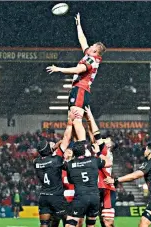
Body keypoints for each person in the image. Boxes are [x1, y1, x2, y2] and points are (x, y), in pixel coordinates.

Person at [17, 113, 74, 227]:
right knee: (70, 222)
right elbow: (66, 139)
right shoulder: (56, 160)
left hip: (44, 197)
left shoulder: (37, 162)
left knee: (43, 226)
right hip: (56, 197)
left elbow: (49, 151)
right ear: (49, 150)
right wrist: (70, 122)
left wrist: (53, 146)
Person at [46, 13, 106, 142]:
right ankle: (75, 147)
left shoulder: (91, 61)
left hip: (80, 90)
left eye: (92, 46)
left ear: (95, 51)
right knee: (72, 119)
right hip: (78, 90)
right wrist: (78, 25)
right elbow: (82, 40)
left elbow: (78, 70)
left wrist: (58, 69)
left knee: (76, 119)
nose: (89, 47)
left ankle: (82, 147)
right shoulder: (90, 56)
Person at [85, 106, 129, 227]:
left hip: (106, 190)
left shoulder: (104, 151)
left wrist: (90, 115)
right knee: (104, 223)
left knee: (107, 222)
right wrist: (87, 122)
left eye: (105, 140)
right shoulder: (100, 151)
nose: (102, 140)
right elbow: (93, 136)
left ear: (108, 145)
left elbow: (96, 135)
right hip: (101, 189)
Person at [60, 140, 112, 227]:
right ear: (85, 151)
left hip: (80, 198)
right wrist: (98, 153)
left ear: (74, 152)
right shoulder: (94, 160)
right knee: (91, 226)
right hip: (95, 197)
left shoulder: (70, 164)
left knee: (70, 225)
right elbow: (109, 162)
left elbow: (71, 181)